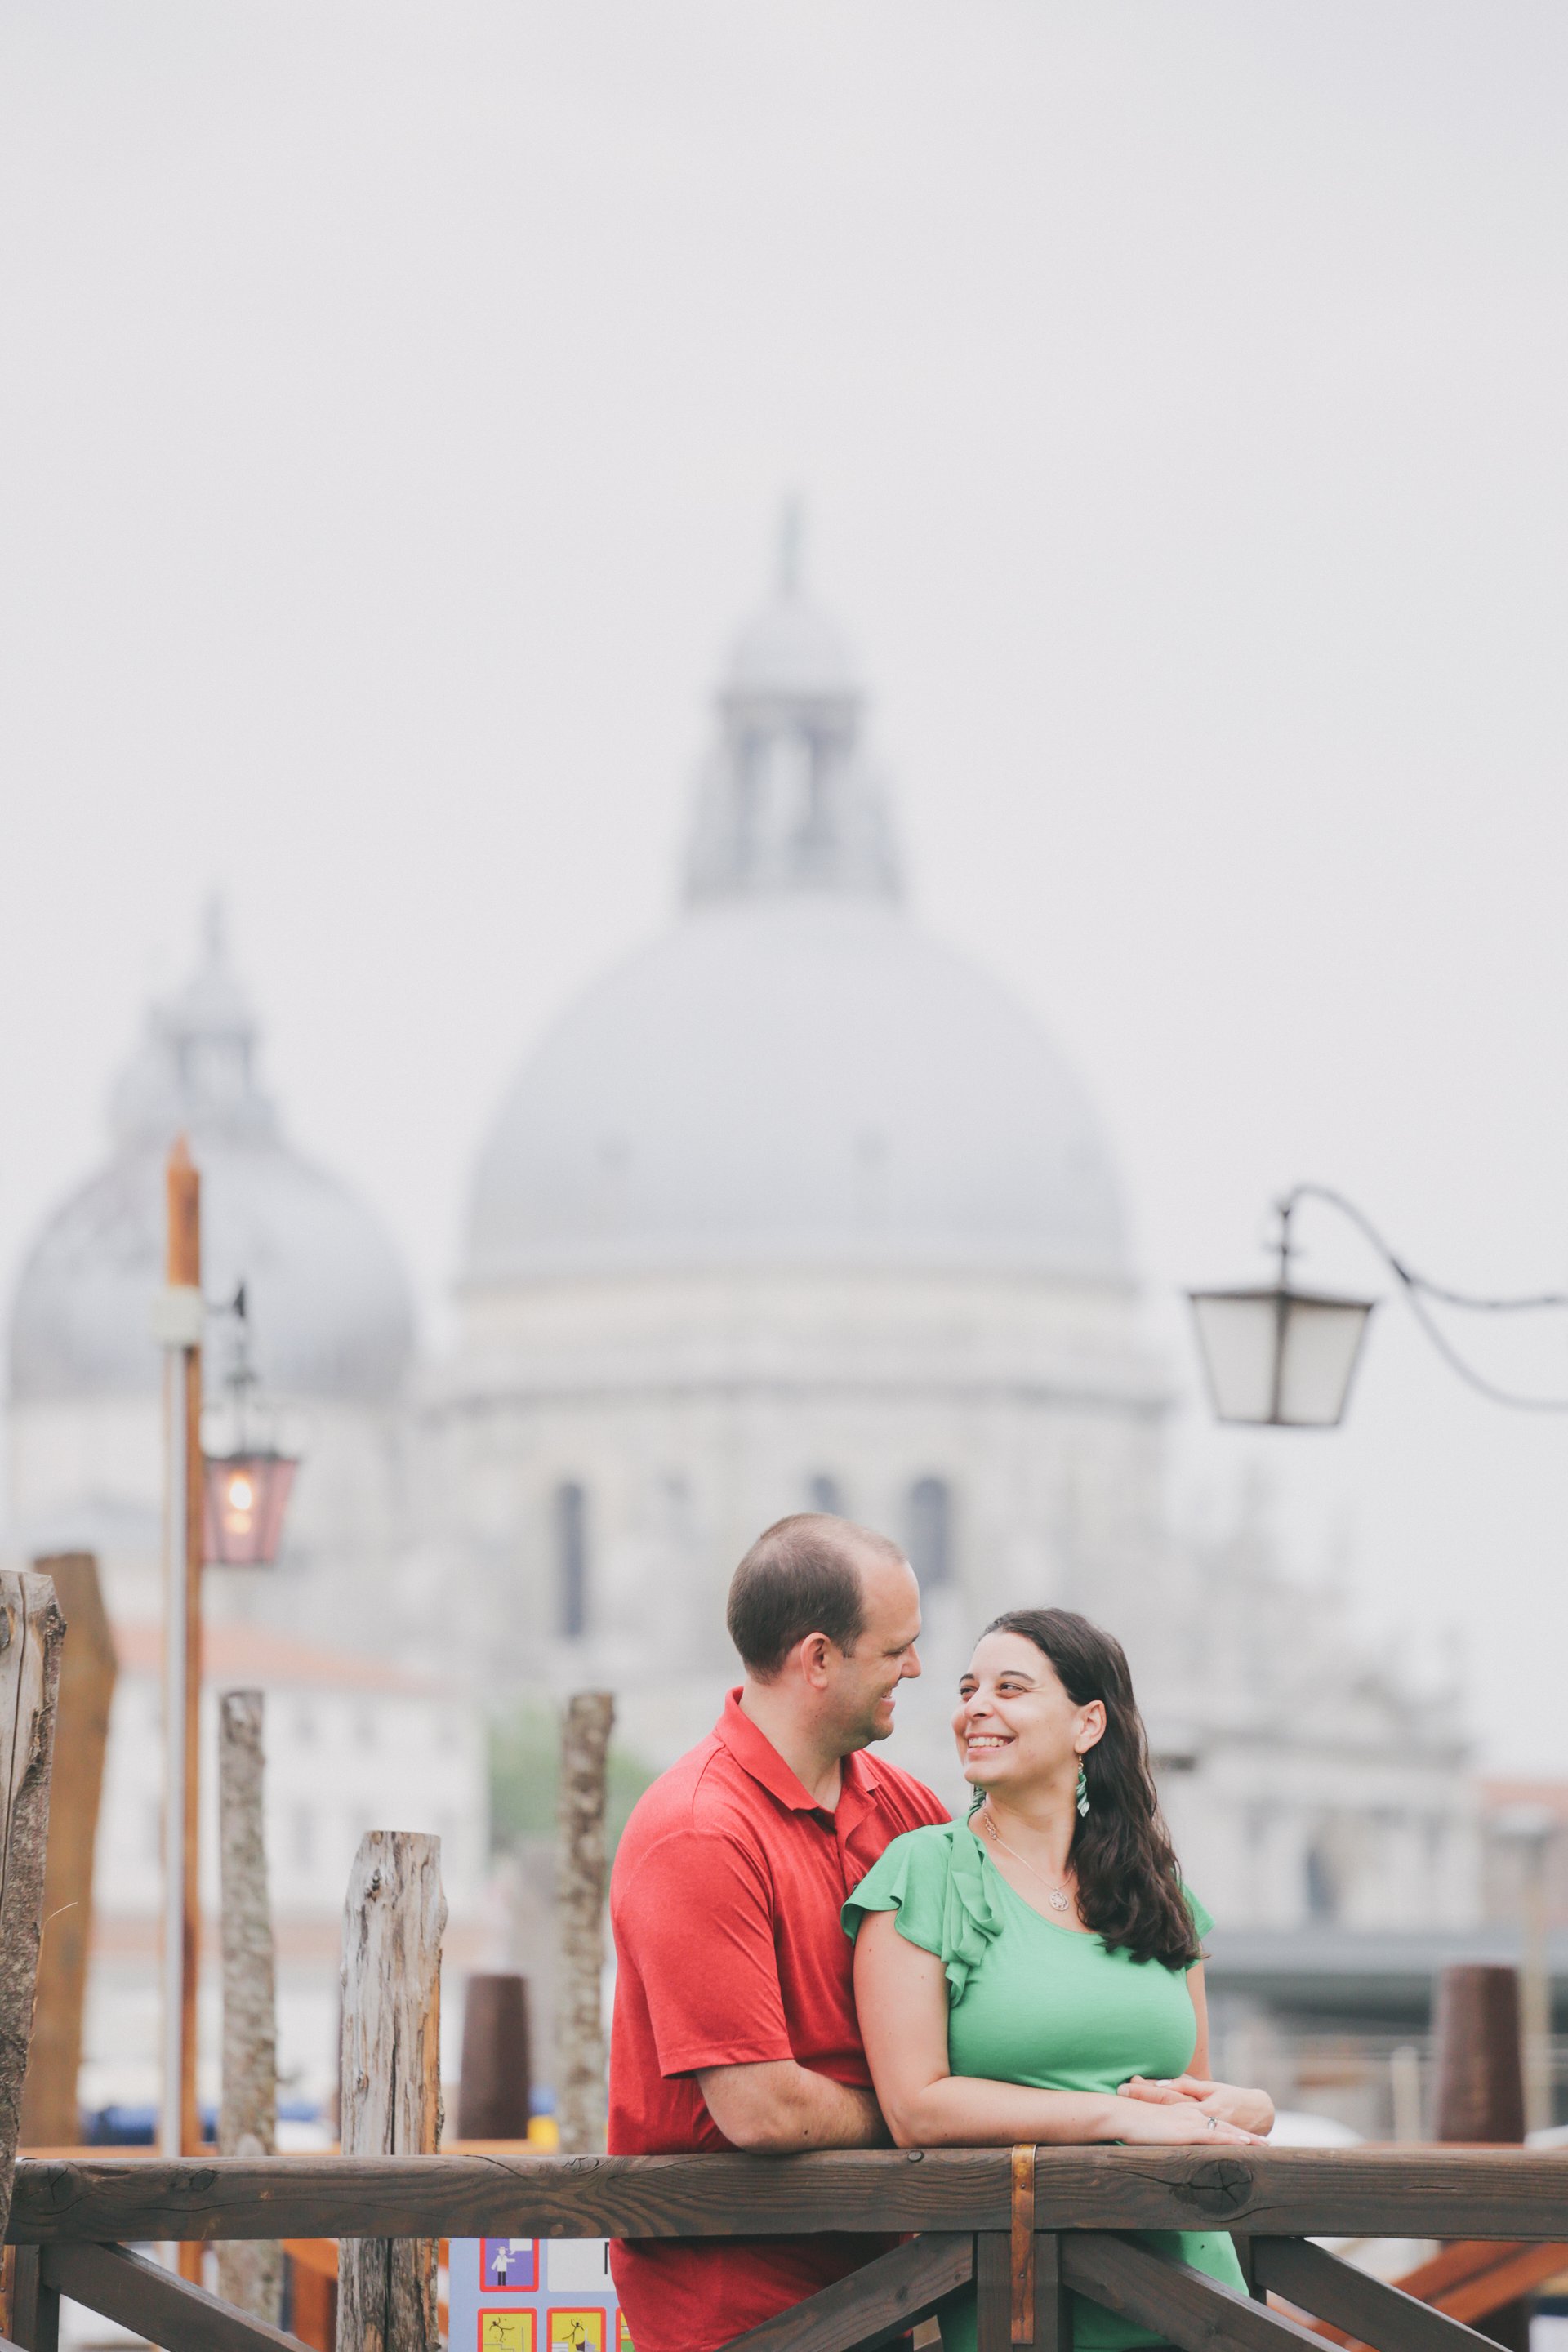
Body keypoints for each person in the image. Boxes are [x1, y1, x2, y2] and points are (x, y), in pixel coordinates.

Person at [845, 1606, 1275, 2352]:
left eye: (1011, 1689)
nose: (976, 1707)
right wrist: (1111, 2117)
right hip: (1025, 2302)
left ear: (1088, 1725)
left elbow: (1188, 2099)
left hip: (1202, 2305)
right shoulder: (921, 1870)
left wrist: (1251, 2107)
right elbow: (917, 2107)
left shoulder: (1155, 1885)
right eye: (968, 1688)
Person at [608, 1512, 951, 2352]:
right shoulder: (698, 1830)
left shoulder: (908, 1809)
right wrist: (916, 2112)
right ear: (820, 1659)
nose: (916, 1666)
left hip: (894, 2282)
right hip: (737, 2308)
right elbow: (759, 2109)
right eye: (895, 1647)